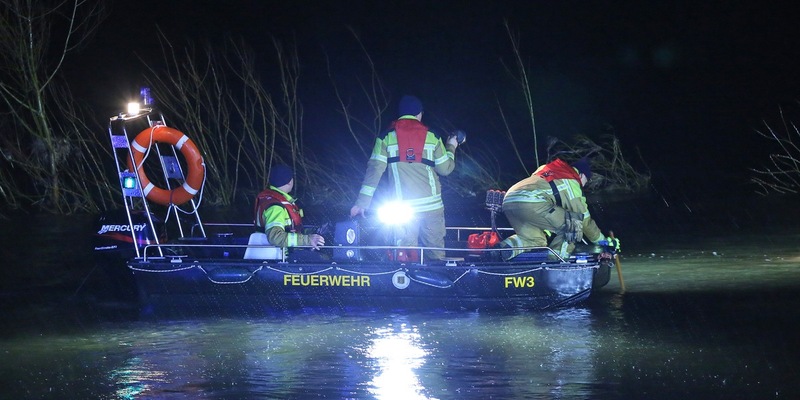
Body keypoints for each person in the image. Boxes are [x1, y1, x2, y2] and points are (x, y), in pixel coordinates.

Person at [350, 95, 460, 261]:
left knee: (406, 255)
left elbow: (374, 172)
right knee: (436, 252)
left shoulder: (385, 138)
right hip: (432, 206)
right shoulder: (433, 137)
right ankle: (440, 280)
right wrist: (452, 145)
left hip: (403, 208)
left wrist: (361, 203)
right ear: (419, 114)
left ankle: (405, 281)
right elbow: (446, 169)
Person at [499, 157, 615, 259]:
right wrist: (603, 242)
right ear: (581, 175)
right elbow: (584, 219)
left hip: (509, 199)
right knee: (573, 225)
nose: (584, 185)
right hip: (531, 202)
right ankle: (557, 263)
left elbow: (548, 197)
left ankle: (501, 251)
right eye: (586, 180)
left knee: (535, 240)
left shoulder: (548, 170)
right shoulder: (571, 181)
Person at [254, 164, 325, 254]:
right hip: (281, 256)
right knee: (323, 258)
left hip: (284, 254)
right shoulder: (276, 207)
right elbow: (275, 237)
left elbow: (291, 228)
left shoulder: (275, 200)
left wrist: (310, 233)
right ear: (289, 182)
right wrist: (307, 240)